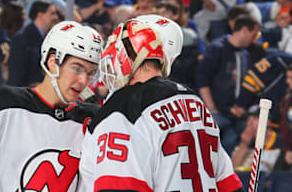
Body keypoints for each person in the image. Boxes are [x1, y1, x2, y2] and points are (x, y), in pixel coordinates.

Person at [78, 18, 244, 191]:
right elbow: (228, 184)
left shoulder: (122, 108)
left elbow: (119, 186)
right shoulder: (194, 101)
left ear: (123, 59)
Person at [0, 20, 103, 191]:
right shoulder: (2, 103)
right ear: (53, 62)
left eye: (91, 73)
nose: (84, 81)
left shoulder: (94, 120)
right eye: (77, 69)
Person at [195, 14, 260, 154]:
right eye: (253, 35)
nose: (254, 40)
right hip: (215, 111)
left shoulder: (245, 54)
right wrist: (212, 109)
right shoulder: (217, 48)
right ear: (244, 30)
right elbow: (202, 79)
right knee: (206, 149)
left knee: (229, 148)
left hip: (234, 114)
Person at [7, 0, 59, 87]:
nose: (56, 17)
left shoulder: (49, 37)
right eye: (52, 14)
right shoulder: (22, 38)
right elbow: (17, 74)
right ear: (40, 15)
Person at [231, 104, 282, 173]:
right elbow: (231, 170)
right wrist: (244, 145)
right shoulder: (243, 141)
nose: (250, 123)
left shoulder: (282, 143)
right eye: (248, 119)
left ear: (268, 122)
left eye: (255, 118)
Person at [0, 1, 25, 81]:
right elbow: (5, 58)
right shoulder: (4, 36)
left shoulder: (13, 34)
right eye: (23, 15)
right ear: (15, 17)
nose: (25, 18)